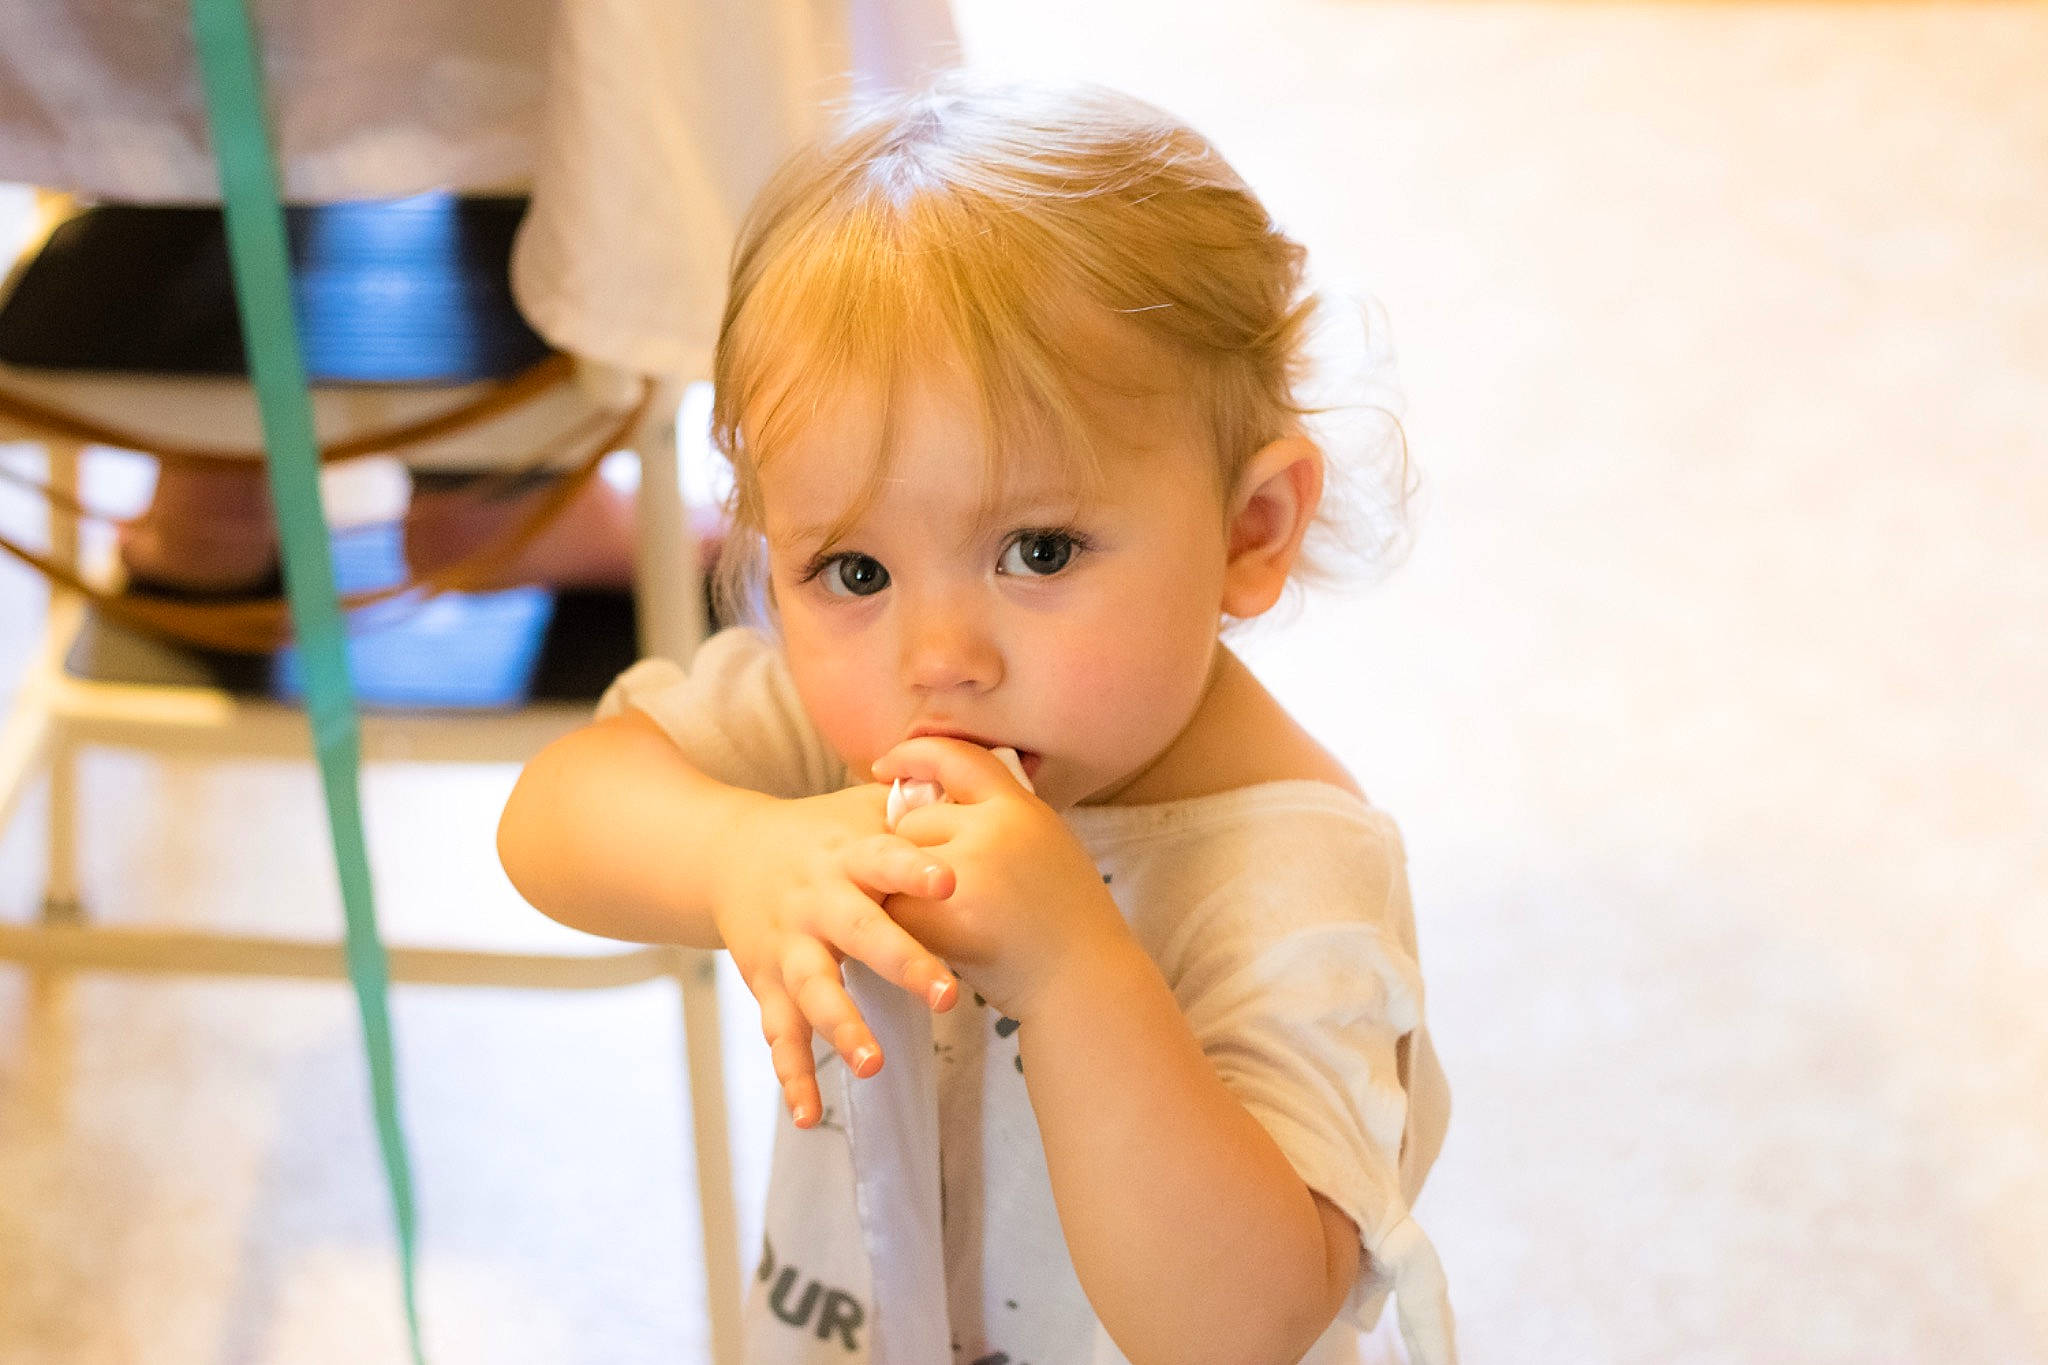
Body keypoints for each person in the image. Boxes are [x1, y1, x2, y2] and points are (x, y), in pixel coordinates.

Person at [497, 79, 1454, 1365]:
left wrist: (1069, 970)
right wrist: (733, 853)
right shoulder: (839, 720)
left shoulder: (1291, 882)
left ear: (1248, 531)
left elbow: (1240, 1327)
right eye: (852, 573)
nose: (938, 661)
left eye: (1038, 549)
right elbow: (551, 819)